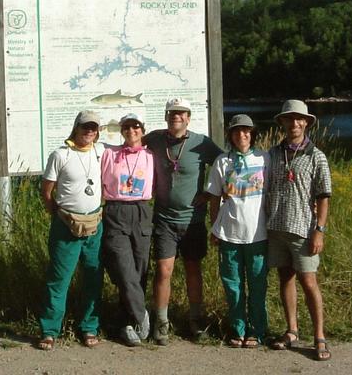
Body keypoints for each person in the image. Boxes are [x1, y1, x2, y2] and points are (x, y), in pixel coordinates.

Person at [143, 97, 223, 345]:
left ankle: (195, 319)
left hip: (193, 221)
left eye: (181, 113)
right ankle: (162, 321)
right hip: (164, 219)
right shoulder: (155, 139)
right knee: (163, 271)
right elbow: (131, 147)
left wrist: (210, 193)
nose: (176, 116)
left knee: (193, 269)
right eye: (171, 113)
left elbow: (225, 165)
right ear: (166, 117)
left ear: (188, 117)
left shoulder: (202, 143)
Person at [266, 99, 332, 361]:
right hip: (277, 228)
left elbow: (323, 197)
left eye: (299, 119)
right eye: (289, 119)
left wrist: (320, 230)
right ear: (282, 122)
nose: (294, 123)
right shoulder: (273, 153)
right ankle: (292, 330)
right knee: (286, 278)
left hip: (304, 230)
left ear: (306, 123)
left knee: (309, 281)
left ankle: (319, 337)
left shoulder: (317, 156)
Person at [38, 110, 105, 350]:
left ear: (98, 132)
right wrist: (58, 214)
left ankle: (89, 328)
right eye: (85, 126)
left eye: (94, 128)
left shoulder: (101, 152)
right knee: (58, 280)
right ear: (76, 127)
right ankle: (49, 331)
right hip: (66, 227)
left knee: (93, 278)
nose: (89, 131)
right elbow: (47, 191)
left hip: (95, 225)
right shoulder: (60, 154)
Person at [206, 114, 270, 348]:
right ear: (230, 136)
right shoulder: (223, 161)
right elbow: (214, 199)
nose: (241, 135)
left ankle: (257, 330)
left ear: (253, 134)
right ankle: (237, 328)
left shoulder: (264, 158)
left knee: (257, 285)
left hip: (258, 234)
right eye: (236, 131)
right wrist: (214, 227)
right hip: (229, 234)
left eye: (246, 131)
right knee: (232, 286)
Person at [100, 113, 154, 347]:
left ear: (142, 130)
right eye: (127, 127)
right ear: (121, 131)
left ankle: (127, 323)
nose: (131, 131)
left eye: (136, 127)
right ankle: (142, 313)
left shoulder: (151, 155)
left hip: (142, 211)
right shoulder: (110, 154)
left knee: (140, 270)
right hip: (115, 211)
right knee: (124, 270)